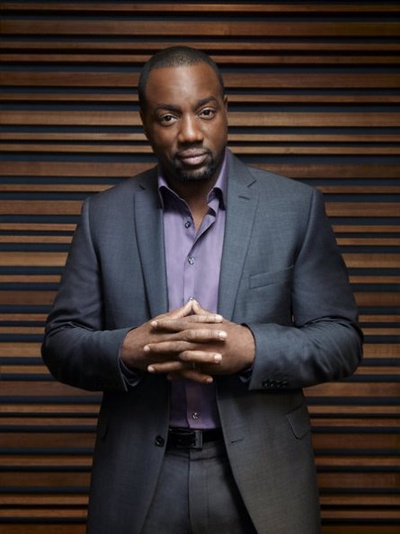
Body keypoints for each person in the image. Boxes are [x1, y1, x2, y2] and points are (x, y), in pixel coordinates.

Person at [42, 46, 363, 534]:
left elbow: (341, 339)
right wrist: (130, 350)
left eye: (206, 111)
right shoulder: (102, 216)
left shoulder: (295, 208)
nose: (190, 133)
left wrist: (252, 348)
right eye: (168, 116)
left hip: (265, 475)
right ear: (146, 124)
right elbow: (60, 343)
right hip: (140, 477)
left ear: (226, 110)